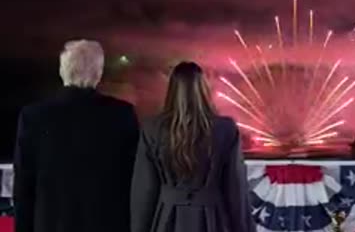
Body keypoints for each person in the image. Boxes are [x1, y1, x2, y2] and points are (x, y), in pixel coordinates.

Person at [14, 40, 139, 232]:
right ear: (98, 74)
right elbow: (133, 183)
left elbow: (23, 188)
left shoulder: (33, 117)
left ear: (62, 71)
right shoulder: (122, 116)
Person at [131, 62, 256, 232]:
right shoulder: (225, 129)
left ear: (172, 90)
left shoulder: (152, 129)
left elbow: (144, 192)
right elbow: (236, 191)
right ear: (203, 89)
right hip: (213, 220)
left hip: (167, 221)